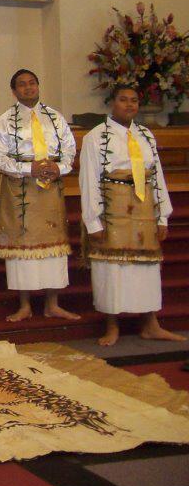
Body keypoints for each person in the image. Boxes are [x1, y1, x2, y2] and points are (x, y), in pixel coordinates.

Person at [79, 85, 186, 347]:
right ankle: (112, 324)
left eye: (134, 101)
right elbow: (89, 178)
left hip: (144, 207)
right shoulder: (97, 137)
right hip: (113, 205)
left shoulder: (146, 135)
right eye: (123, 100)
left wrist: (162, 216)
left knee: (146, 267)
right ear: (112, 103)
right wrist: (93, 220)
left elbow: (157, 176)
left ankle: (150, 323)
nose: (129, 105)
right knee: (112, 268)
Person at [0, 69, 79, 323]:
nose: (28, 88)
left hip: (50, 190)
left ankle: (53, 303)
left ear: (38, 86)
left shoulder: (55, 118)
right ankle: (24, 304)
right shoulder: (5, 120)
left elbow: (70, 150)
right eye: (21, 85)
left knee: (54, 246)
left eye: (32, 83)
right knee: (21, 247)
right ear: (14, 91)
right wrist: (28, 168)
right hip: (20, 190)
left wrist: (60, 167)